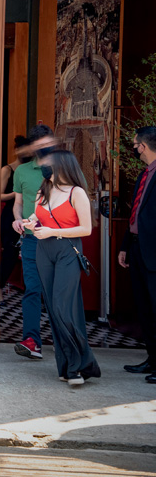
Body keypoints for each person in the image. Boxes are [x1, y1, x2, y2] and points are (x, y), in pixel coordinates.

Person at [26, 149, 100, 386]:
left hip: (68, 249)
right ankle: (67, 366)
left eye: (50, 164)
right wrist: (28, 223)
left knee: (62, 307)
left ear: (63, 166)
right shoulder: (44, 189)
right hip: (43, 251)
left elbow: (86, 229)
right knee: (52, 306)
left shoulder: (77, 192)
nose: (45, 168)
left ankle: (80, 365)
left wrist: (52, 231)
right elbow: (36, 217)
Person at [10, 124, 57, 360]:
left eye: (46, 143)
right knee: (32, 290)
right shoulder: (22, 171)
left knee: (58, 292)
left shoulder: (63, 168)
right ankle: (32, 342)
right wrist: (17, 220)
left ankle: (64, 341)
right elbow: (18, 203)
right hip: (30, 239)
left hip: (58, 239)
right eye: (38, 144)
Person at [119, 126, 156, 382]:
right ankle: (152, 360)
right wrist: (124, 246)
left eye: (134, 144)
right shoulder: (144, 175)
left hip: (153, 252)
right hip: (137, 248)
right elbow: (137, 213)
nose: (133, 148)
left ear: (142, 146)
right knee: (144, 309)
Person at [0, 136, 31, 287]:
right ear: (17, 150)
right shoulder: (7, 170)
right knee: (10, 254)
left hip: (29, 215)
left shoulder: (31, 171)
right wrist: (17, 193)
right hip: (10, 216)